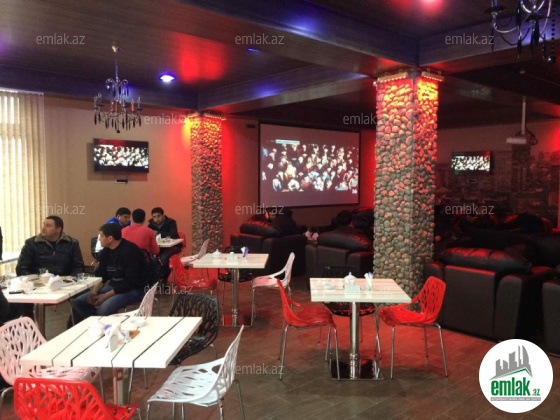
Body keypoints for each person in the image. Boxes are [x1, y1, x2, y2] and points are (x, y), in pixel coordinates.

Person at [71, 223, 149, 324]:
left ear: (110, 238)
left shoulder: (130, 251)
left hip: (134, 289)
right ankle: (98, 324)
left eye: (101, 236)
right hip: (114, 285)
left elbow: (131, 281)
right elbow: (101, 275)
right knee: (78, 302)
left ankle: (101, 324)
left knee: (103, 309)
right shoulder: (106, 251)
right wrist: (94, 292)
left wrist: (105, 296)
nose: (99, 239)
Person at [16, 216, 84, 318]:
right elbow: (22, 267)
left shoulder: (72, 243)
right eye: (43, 225)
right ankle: (29, 323)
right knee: (23, 296)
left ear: (58, 229)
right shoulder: (31, 243)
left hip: (65, 283)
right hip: (37, 283)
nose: (43, 228)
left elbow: (78, 266)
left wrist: (71, 279)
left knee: (83, 297)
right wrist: (34, 279)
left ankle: (73, 324)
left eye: (48, 226)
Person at [147, 207, 180, 281]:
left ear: (163, 215)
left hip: (173, 246)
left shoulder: (171, 222)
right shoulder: (151, 225)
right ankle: (160, 274)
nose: (156, 219)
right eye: (154, 217)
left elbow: (173, 235)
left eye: (158, 216)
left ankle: (163, 276)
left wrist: (158, 233)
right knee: (151, 258)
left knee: (164, 257)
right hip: (159, 247)